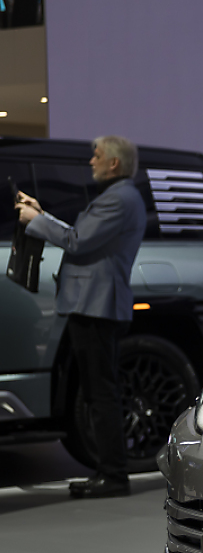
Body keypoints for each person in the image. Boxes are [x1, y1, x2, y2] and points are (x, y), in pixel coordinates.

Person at [15, 136, 145, 498]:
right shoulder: (121, 196)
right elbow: (82, 236)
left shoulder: (118, 199)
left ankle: (113, 475)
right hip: (93, 304)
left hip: (96, 306)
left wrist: (35, 221)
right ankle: (109, 472)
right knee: (96, 391)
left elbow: (76, 241)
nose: (91, 161)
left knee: (100, 393)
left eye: (97, 156)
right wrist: (41, 215)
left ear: (114, 163)